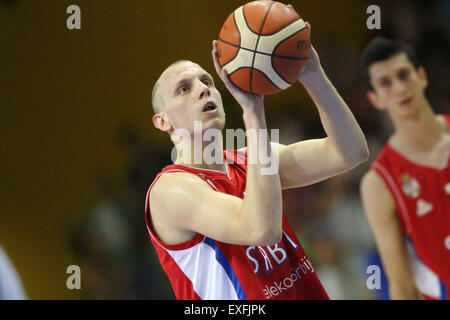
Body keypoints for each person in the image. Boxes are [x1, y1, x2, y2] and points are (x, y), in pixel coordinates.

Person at [145, 23, 369, 299]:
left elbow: (350, 152)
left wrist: (313, 75)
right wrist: (253, 111)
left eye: (207, 81)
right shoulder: (169, 191)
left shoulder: (253, 158)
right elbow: (260, 230)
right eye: (183, 89)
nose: (203, 89)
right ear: (162, 121)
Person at [359, 37, 450, 300]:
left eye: (403, 75)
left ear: (421, 76)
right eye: (385, 83)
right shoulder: (379, 183)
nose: (399, 88)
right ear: (375, 99)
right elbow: (401, 284)